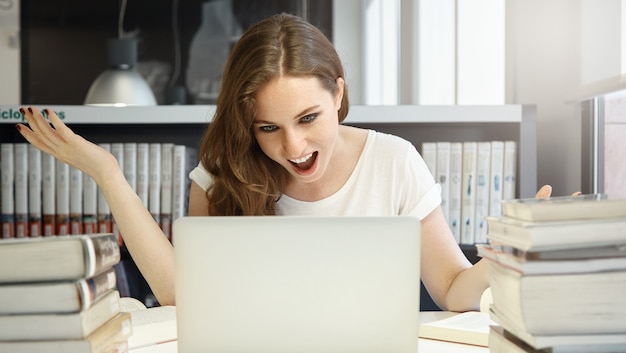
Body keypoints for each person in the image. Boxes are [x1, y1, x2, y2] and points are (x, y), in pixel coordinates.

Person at [15, 13, 552, 310]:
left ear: (338, 95)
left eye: (309, 118)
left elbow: (454, 290)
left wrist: (517, 253)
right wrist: (108, 173)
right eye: (268, 128)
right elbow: (183, 294)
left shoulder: (394, 161)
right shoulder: (223, 176)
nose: (293, 148)